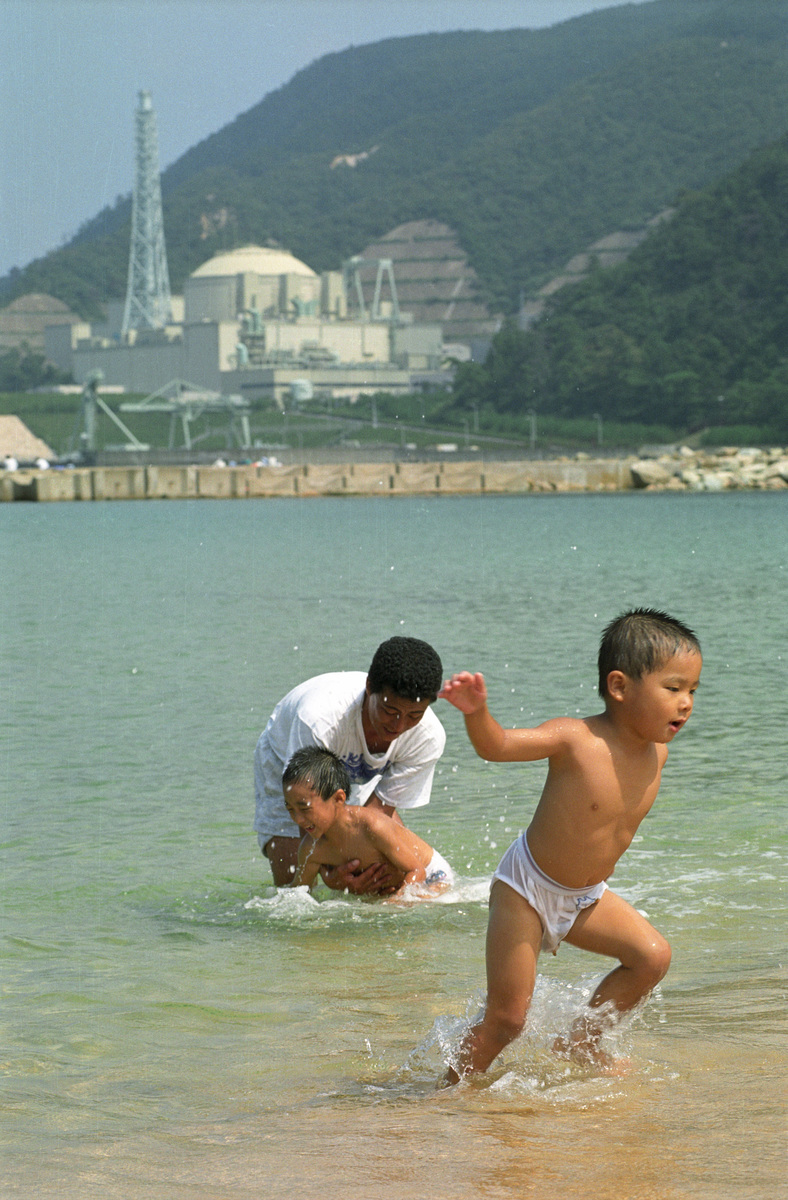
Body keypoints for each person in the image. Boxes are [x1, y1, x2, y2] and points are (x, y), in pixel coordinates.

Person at [439, 608, 702, 1082]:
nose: (686, 703)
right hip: (527, 890)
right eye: (673, 688)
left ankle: (581, 1043)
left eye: (692, 692)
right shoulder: (575, 739)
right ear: (619, 687)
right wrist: (478, 713)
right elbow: (496, 746)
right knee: (507, 1020)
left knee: (651, 957)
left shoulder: (657, 753)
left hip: (584, 897)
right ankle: (444, 1095)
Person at [254, 636, 446, 891]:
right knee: (293, 890)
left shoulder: (427, 737)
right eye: (390, 712)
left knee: (386, 874)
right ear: (369, 687)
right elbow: (307, 818)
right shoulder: (318, 722)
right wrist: (330, 875)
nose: (399, 726)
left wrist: (363, 870)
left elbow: (377, 819)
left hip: (359, 774)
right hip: (291, 765)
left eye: (413, 715)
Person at [283, 746, 454, 895]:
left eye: (305, 808)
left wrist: (397, 903)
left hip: (431, 874)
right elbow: (298, 893)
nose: (297, 819)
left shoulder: (372, 826)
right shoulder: (311, 849)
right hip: (395, 886)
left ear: (338, 798)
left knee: (409, 907)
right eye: (290, 810)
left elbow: (416, 871)